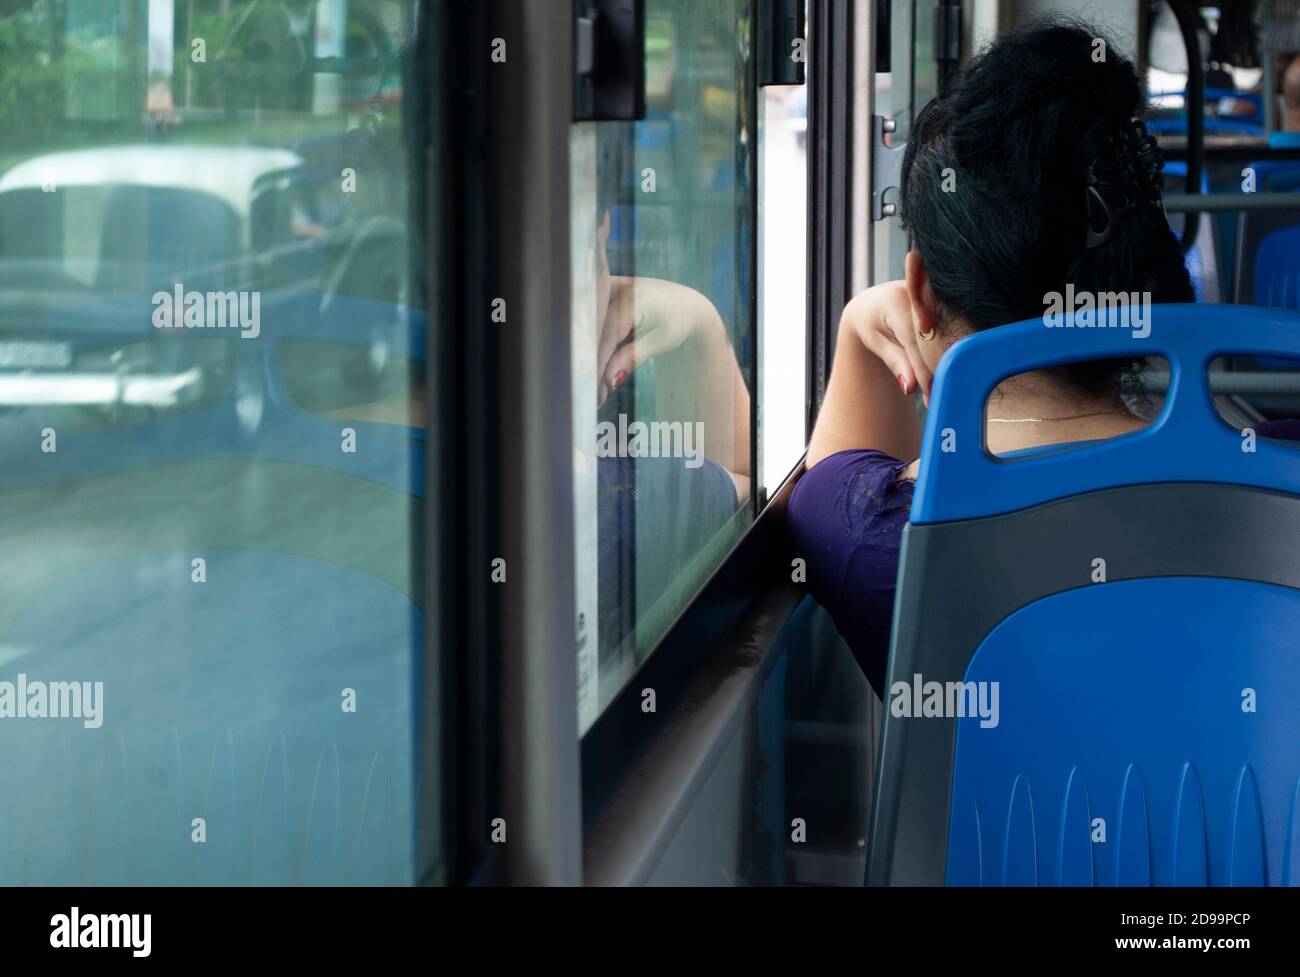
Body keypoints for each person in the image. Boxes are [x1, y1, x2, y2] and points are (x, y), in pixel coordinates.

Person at [787, 19, 1297, 697]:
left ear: (922, 294)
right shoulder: (1276, 479)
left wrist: (857, 324)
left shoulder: (881, 539)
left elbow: (837, 468)